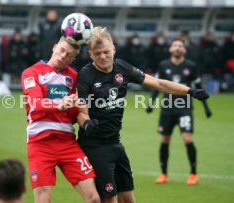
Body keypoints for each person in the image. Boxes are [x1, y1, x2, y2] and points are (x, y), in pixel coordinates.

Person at [76, 27, 209, 203]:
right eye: (97, 53)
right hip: (95, 147)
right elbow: (80, 112)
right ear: (90, 54)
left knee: (129, 200)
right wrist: (86, 124)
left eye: (106, 51)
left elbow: (159, 83)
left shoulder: (122, 68)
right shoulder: (85, 76)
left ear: (113, 49)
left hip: (115, 143)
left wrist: (189, 91)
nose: (102, 56)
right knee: (110, 200)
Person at [21, 37, 100, 203]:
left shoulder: (74, 77)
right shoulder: (31, 73)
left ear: (73, 59)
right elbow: (36, 103)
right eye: (62, 50)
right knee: (43, 200)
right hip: (40, 143)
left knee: (93, 198)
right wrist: (60, 104)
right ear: (55, 47)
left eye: (69, 55)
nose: (64, 56)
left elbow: (72, 114)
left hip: (67, 143)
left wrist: (77, 106)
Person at [146, 38, 212, 185]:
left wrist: (206, 108)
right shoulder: (163, 65)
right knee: (164, 140)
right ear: (170, 49)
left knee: (187, 139)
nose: (177, 48)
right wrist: (151, 103)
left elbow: (198, 88)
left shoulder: (191, 66)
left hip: (185, 109)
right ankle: (163, 174)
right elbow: (158, 85)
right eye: (175, 45)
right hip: (167, 109)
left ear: (184, 50)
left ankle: (193, 174)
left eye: (180, 46)